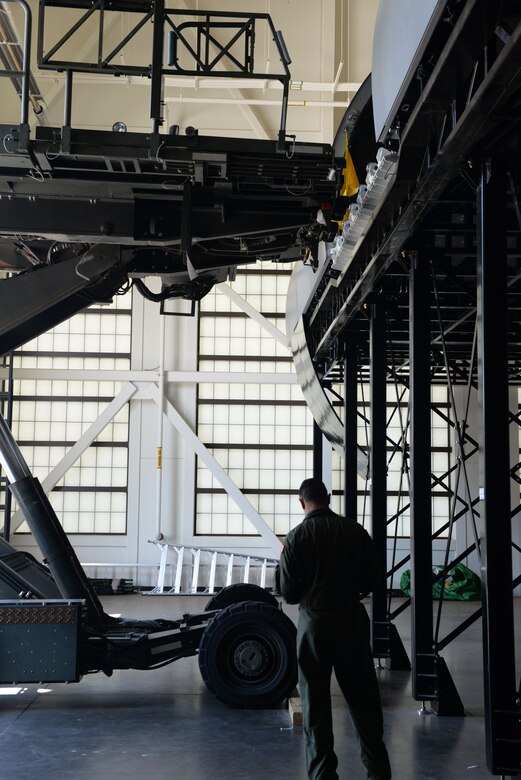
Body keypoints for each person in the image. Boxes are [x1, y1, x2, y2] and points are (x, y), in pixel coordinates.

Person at [278, 478, 392, 780]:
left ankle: (323, 775)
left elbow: (288, 592)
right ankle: (378, 774)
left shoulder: (296, 537)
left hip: (313, 627)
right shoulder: (355, 532)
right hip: (351, 623)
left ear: (301, 503)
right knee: (364, 703)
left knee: (315, 707)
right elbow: (372, 580)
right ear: (328, 498)